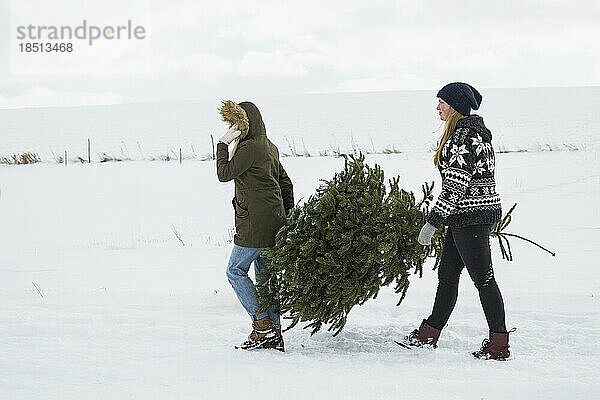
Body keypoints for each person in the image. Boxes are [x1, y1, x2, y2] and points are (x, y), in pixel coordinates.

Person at [403, 82, 513, 360]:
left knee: (484, 280)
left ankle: (499, 345)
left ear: (456, 107)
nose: (438, 107)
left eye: (442, 102)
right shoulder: (477, 135)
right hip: (469, 216)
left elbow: (455, 187)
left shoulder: (462, 139)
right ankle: (429, 333)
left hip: (469, 217)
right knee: (447, 276)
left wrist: (432, 222)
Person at [216, 101, 294, 352]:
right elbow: (287, 184)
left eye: (237, 123)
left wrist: (222, 144)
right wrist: (287, 217)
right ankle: (275, 335)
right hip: (275, 221)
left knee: (235, 271)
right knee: (266, 279)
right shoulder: (270, 147)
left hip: (254, 224)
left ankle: (262, 326)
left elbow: (223, 173)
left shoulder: (249, 148)